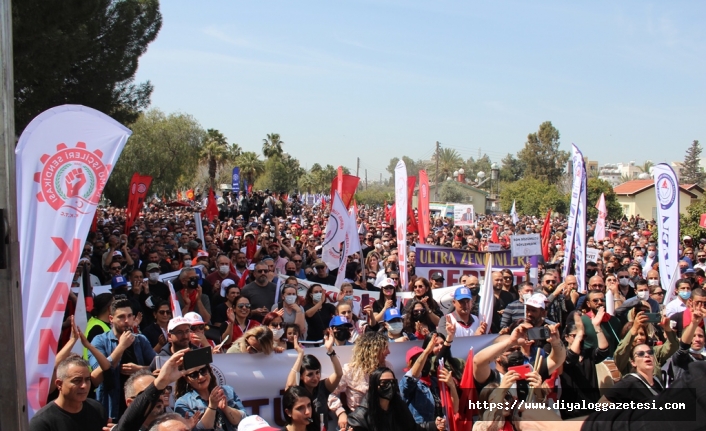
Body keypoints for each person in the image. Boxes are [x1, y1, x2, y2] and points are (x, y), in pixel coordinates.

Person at [89, 298, 156, 420]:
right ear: (111, 319)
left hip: (139, 406)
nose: (127, 321)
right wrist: (121, 347)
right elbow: (97, 375)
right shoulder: (100, 341)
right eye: (121, 317)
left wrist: (140, 369)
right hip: (111, 408)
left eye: (130, 316)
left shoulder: (141, 340)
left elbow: (158, 367)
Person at [347, 367, 446, 431]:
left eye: (392, 382)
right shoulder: (360, 416)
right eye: (384, 383)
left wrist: (434, 425)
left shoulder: (399, 407)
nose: (390, 386)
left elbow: (413, 429)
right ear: (374, 386)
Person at [328, 331, 391, 430]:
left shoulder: (388, 368)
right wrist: (340, 412)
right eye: (385, 348)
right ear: (374, 350)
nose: (389, 352)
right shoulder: (350, 370)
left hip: (382, 421)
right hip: (357, 421)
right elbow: (330, 392)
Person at [30, 356, 106, 431]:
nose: (84, 386)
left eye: (87, 379)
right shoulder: (42, 422)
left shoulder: (97, 409)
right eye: (77, 380)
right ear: (59, 384)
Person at [559, 310, 610, 419]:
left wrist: (597, 327)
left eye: (583, 336)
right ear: (567, 337)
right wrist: (580, 332)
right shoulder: (561, 356)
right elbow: (572, 357)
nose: (581, 339)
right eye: (575, 336)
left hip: (592, 405)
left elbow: (604, 350)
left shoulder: (588, 353)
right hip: (571, 409)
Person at [285, 333, 342, 431]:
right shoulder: (297, 391)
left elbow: (338, 374)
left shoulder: (323, 387)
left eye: (317, 372)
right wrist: (300, 355)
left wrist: (330, 350)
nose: (315, 377)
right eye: (310, 374)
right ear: (301, 376)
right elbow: (290, 386)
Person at [174, 364, 247, 431]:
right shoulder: (183, 403)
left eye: (203, 371)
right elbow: (197, 429)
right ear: (187, 379)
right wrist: (212, 406)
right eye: (194, 375)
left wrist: (225, 408)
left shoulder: (227, 391)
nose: (201, 377)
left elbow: (244, 421)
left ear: (209, 370)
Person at [613, 311, 677, 377]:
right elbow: (620, 353)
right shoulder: (624, 358)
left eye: (642, 334)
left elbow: (673, 346)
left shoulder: (653, 352)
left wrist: (667, 329)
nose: (640, 337)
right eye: (635, 334)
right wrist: (634, 328)